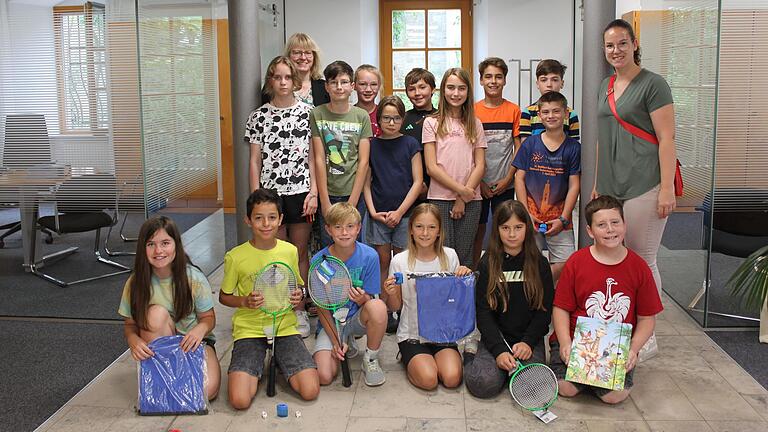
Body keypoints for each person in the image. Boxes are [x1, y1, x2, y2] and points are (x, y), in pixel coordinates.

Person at [552, 195, 663, 404]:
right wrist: (566, 343)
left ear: (625, 224)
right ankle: (585, 378)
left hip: (616, 345)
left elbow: (647, 319)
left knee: (614, 396)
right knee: (566, 388)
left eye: (615, 222)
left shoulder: (639, 268)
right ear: (590, 231)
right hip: (577, 339)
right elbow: (560, 308)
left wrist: (633, 350)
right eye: (601, 225)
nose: (610, 230)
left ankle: (593, 380)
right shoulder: (577, 262)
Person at [594, 18, 678, 295]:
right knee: (613, 256)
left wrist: (666, 189)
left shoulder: (654, 84)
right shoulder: (605, 84)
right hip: (610, 183)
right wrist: (597, 182)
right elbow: (601, 138)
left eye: (622, 43)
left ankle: (648, 332)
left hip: (644, 182)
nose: (616, 50)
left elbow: (667, 138)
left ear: (634, 44)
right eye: (609, 45)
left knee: (642, 259)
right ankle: (623, 323)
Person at [219, 189, 320, 409]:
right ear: (248, 220)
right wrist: (244, 301)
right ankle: (259, 363)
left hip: (284, 327)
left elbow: (298, 287)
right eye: (258, 218)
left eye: (272, 217)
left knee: (310, 390)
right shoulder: (235, 257)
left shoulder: (290, 251)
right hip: (250, 329)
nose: (266, 223)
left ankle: (280, 361)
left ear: (280, 220)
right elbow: (224, 297)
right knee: (240, 400)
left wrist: (299, 296)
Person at [245, 55, 316, 337]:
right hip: (270, 194)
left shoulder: (308, 112)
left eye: (288, 77)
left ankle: (298, 310)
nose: (283, 82)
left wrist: (313, 192)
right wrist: (255, 199)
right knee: (275, 254)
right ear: (270, 81)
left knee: (298, 252)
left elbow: (314, 156)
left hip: (300, 191)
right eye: (278, 77)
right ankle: (277, 308)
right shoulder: (258, 116)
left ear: (295, 81)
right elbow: (254, 161)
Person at [118, 215, 221, 400]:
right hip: (162, 346)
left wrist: (200, 330)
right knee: (154, 314)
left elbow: (209, 318)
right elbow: (130, 325)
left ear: (176, 245)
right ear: (143, 248)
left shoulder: (193, 277)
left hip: (194, 343)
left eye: (165, 243)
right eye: (151, 244)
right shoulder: (135, 282)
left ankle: (171, 382)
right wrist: (133, 340)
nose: (158, 250)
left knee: (207, 392)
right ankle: (165, 375)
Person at [463, 200, 554, 399]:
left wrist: (528, 343)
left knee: (533, 390)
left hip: (528, 340)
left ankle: (509, 371)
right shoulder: (487, 263)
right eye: (505, 228)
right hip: (496, 337)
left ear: (526, 229)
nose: (512, 234)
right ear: (497, 230)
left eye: (518, 228)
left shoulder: (540, 264)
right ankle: (471, 355)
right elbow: (483, 311)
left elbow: (544, 311)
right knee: (482, 385)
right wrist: (498, 350)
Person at [384, 203, 471, 390]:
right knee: (429, 380)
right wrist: (391, 293)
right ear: (411, 230)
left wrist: (464, 280)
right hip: (412, 334)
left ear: (439, 231)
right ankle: (408, 356)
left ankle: (431, 359)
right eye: (419, 227)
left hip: (443, 333)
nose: (425, 233)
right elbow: (395, 307)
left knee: (452, 379)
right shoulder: (399, 261)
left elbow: (458, 302)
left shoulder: (450, 256)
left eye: (431, 227)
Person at [311, 202, 389, 387]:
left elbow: (371, 299)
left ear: (358, 228)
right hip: (331, 323)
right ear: (328, 229)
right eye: (337, 227)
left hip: (355, 318)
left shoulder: (370, 256)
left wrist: (363, 299)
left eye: (350, 226)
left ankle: (370, 358)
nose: (344, 232)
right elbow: (322, 309)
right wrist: (336, 341)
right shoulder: (318, 261)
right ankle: (345, 341)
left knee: (378, 307)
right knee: (324, 376)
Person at [363, 95, 422, 330]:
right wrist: (373, 211)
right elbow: (366, 182)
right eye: (386, 118)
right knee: (382, 261)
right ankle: (385, 309)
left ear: (402, 118)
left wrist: (400, 212)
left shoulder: (410, 144)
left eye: (396, 118)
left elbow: (418, 182)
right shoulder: (372, 144)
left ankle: (402, 309)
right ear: (378, 119)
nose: (391, 122)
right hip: (378, 214)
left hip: (405, 214)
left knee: (401, 262)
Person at [513, 91, 580, 283]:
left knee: (566, 264)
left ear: (566, 114)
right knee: (527, 261)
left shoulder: (573, 148)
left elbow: (575, 185)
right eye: (546, 112)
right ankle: (534, 297)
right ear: (539, 115)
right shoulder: (530, 144)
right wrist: (525, 212)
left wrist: (564, 218)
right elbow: (519, 179)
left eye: (556, 111)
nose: (551, 116)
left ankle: (545, 290)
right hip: (531, 216)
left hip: (559, 218)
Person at [422, 67, 487, 267]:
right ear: (443, 90)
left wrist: (463, 198)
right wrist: (461, 191)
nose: (456, 93)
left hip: (471, 200)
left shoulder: (475, 123)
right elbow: (431, 167)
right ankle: (443, 298)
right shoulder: (431, 122)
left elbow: (480, 164)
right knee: (442, 256)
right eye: (450, 88)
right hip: (440, 198)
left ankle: (464, 299)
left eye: (461, 88)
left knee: (465, 257)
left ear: (468, 92)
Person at [310, 60, 373, 247]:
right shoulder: (317, 114)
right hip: (328, 192)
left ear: (352, 86)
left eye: (344, 82)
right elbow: (319, 158)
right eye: (334, 82)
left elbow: (363, 162)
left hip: (353, 193)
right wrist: (325, 200)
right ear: (327, 87)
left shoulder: (361, 116)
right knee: (330, 244)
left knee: (354, 243)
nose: (339, 87)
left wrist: (353, 201)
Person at [472, 57, 521, 269]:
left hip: (505, 182)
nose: (493, 81)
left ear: (505, 80)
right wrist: (479, 182)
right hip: (477, 184)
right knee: (477, 230)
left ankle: (502, 270)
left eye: (498, 77)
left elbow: (518, 147)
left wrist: (508, 178)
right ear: (481, 80)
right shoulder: (472, 111)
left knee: (505, 228)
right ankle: (474, 271)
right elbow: (468, 149)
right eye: (488, 77)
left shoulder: (513, 110)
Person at [519, 59, 580, 142]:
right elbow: (525, 147)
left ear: (562, 83)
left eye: (554, 80)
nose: (549, 85)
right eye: (544, 80)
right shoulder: (528, 113)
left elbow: (574, 146)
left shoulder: (570, 114)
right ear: (537, 84)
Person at [262, 33, 329, 107]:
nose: (303, 57)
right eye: (297, 53)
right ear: (288, 56)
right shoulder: (274, 86)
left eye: (307, 53)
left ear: (314, 57)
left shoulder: (325, 88)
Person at [401, 68, 438, 200]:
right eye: (411, 89)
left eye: (422, 87)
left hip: (438, 186)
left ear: (433, 89)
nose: (417, 93)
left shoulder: (441, 118)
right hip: (408, 187)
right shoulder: (403, 120)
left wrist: (428, 184)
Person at [354, 64, 383, 137]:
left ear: (379, 86)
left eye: (373, 84)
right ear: (354, 86)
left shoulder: (384, 114)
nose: (368, 90)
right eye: (363, 84)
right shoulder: (348, 114)